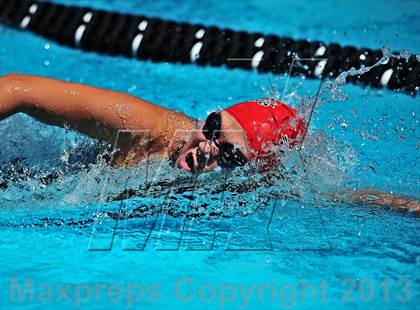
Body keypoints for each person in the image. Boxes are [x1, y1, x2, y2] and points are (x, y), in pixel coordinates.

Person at [0, 73, 418, 214]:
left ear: (256, 167)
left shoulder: (254, 184)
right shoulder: (147, 129)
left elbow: (340, 196)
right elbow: (18, 89)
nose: (208, 148)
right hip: (25, 173)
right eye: (215, 128)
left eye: (232, 154)